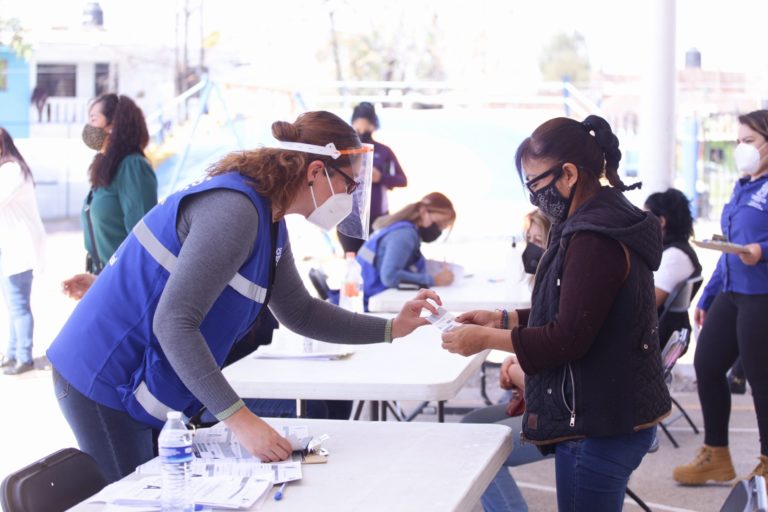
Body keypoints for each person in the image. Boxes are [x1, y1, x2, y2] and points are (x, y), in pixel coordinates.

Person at [46, 110, 438, 483]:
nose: (351, 197)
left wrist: (392, 328)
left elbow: (300, 312)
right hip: (101, 376)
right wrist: (241, 420)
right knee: (140, 497)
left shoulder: (269, 221)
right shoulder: (235, 211)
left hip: (134, 379)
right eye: (349, 184)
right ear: (316, 171)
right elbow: (173, 323)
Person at [441, 115, 671, 511]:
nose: (533, 196)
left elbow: (566, 338)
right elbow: (576, 309)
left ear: (568, 174)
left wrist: (482, 340)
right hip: (607, 414)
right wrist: (502, 319)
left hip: (599, 424)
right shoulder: (603, 220)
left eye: (535, 184)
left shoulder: (594, 238)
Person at [673, 109, 768, 488]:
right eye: (738, 141)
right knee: (708, 365)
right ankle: (717, 456)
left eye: (749, 141)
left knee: (761, 381)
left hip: (762, 295)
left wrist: (761, 250)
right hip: (732, 291)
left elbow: (753, 247)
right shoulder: (743, 185)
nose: (741, 149)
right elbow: (730, 247)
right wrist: (709, 294)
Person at [61, 93, 157, 300]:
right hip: (104, 281)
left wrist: (112, 281)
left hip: (125, 287)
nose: (88, 126)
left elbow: (141, 238)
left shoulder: (132, 167)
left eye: (93, 119)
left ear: (113, 125)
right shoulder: (106, 167)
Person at [356, 192, 455, 308]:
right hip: (367, 302)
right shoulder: (405, 235)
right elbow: (389, 277)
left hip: (364, 295)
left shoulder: (401, 227)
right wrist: (434, 280)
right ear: (423, 211)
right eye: (439, 223)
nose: (439, 230)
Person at [0, 128, 46, 375]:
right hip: (9, 245)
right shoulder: (7, 168)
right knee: (11, 304)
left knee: (18, 304)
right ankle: (12, 352)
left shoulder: (12, 170)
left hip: (20, 246)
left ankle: (25, 357)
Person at [336, 102, 407, 254]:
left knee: (372, 258)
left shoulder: (383, 151)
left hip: (377, 218)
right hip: (349, 216)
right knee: (352, 260)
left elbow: (402, 180)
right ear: (352, 125)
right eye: (358, 128)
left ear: (374, 126)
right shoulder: (343, 150)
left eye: (366, 127)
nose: (362, 132)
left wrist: (380, 177)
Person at [643, 188, 702, 350]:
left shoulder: (676, 256)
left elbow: (648, 305)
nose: (640, 221)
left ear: (661, 222)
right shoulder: (673, 251)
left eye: (645, 215)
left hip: (656, 336)